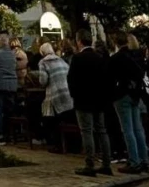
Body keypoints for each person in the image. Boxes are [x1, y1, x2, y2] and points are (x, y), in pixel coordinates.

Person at [67, 29, 113, 177]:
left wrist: (74, 95)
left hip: (83, 100)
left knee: (87, 131)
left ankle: (90, 164)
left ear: (79, 41)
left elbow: (71, 80)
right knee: (101, 130)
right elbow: (106, 79)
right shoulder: (99, 58)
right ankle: (106, 163)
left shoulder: (77, 58)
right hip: (99, 99)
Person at [109, 30, 149, 174]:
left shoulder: (116, 58)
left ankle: (134, 161)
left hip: (122, 95)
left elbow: (110, 79)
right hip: (135, 94)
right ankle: (144, 159)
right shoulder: (136, 56)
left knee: (127, 129)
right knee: (138, 128)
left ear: (115, 43)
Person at [38, 42, 74, 148]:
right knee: (68, 118)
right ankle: (71, 144)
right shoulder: (61, 60)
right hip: (67, 93)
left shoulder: (43, 62)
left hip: (55, 94)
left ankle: (56, 144)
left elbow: (43, 81)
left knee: (50, 117)